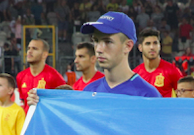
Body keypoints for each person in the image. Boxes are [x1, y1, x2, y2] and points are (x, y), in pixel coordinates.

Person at [27, 13, 161, 106]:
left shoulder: (148, 95)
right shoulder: (89, 91)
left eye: (108, 41)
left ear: (128, 46)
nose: (99, 49)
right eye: (96, 41)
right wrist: (42, 104)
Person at [16, 38, 65, 112]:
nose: (29, 51)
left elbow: (62, 104)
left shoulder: (55, 77)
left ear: (44, 54)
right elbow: (24, 102)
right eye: (29, 48)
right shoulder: (20, 76)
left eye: (34, 49)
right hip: (27, 121)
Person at [133, 28, 183, 97]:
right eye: (148, 44)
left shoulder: (172, 71)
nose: (152, 47)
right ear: (140, 47)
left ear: (160, 46)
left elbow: (184, 99)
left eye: (155, 43)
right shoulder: (136, 75)